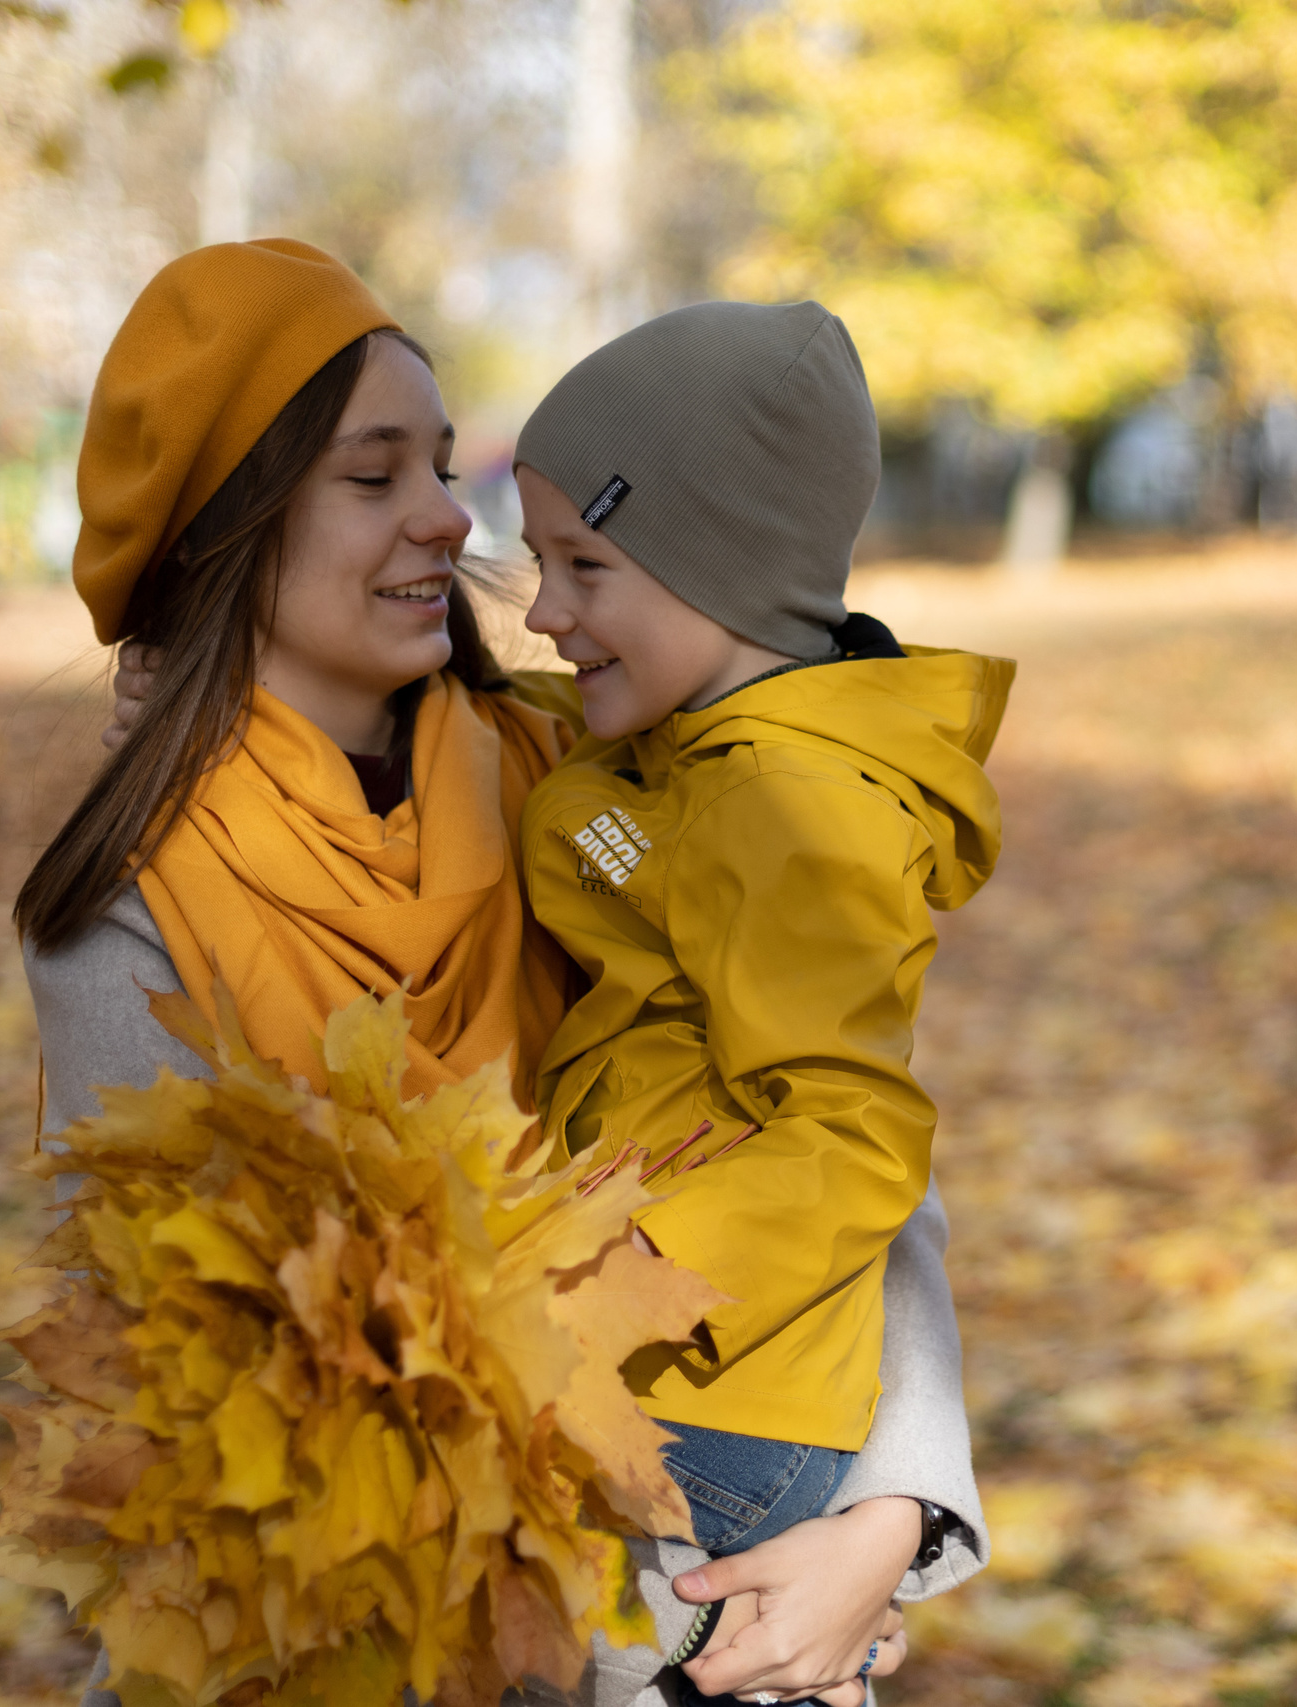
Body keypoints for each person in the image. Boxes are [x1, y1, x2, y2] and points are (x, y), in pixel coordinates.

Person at [25, 239, 986, 1707]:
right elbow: (206, 1386)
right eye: (374, 475)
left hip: (695, 1575)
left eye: (440, 464)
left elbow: (844, 1124)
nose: (444, 515)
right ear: (230, 527)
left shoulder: (577, 783)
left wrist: (885, 1516)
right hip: (340, 1638)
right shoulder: (129, 906)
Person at [504, 302, 1014, 1703]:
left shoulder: (791, 811)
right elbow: (621, 843)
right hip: (697, 1378)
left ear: (712, 572)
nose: (544, 612)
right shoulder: (686, 773)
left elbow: (851, 1133)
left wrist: (617, 1280)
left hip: (709, 1407)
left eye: (583, 566)